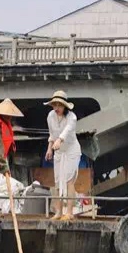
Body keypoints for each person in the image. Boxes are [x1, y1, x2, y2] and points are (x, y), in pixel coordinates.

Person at [44, 90, 81, 221]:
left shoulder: (72, 117)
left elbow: (66, 131)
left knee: (69, 180)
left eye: (59, 105)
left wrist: (59, 140)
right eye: (54, 105)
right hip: (58, 150)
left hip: (71, 150)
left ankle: (69, 212)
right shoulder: (50, 116)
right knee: (58, 181)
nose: (56, 108)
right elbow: (52, 133)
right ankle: (58, 212)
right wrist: (50, 148)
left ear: (65, 106)